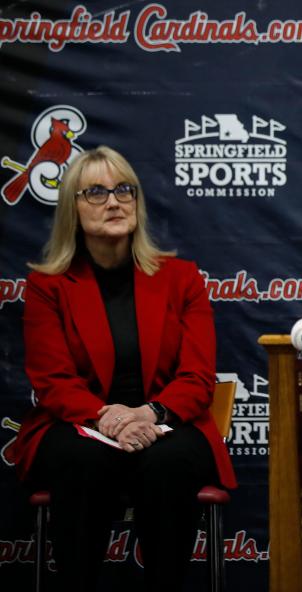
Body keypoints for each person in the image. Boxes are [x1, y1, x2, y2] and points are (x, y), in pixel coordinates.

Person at [10, 146, 236, 592]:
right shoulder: (47, 286)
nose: (114, 202)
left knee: (168, 462)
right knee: (83, 459)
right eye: (95, 192)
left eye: (123, 190)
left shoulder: (182, 278)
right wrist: (107, 418)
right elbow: (53, 380)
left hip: (168, 421)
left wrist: (149, 414)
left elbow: (196, 377)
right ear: (71, 208)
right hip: (80, 422)